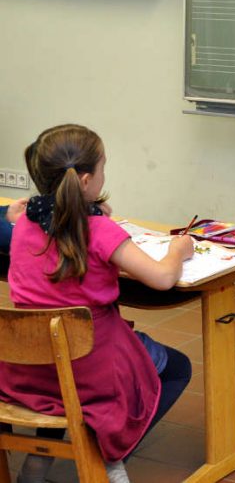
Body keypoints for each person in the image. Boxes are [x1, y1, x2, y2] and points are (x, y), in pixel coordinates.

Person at [0, 124, 194, 483]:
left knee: (61, 375)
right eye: (103, 168)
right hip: (92, 368)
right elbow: (163, 279)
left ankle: (37, 466)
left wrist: (94, 210)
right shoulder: (101, 231)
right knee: (177, 367)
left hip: (26, 371)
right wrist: (177, 250)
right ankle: (108, 453)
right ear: (86, 180)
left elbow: (53, 224)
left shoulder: (23, 222)